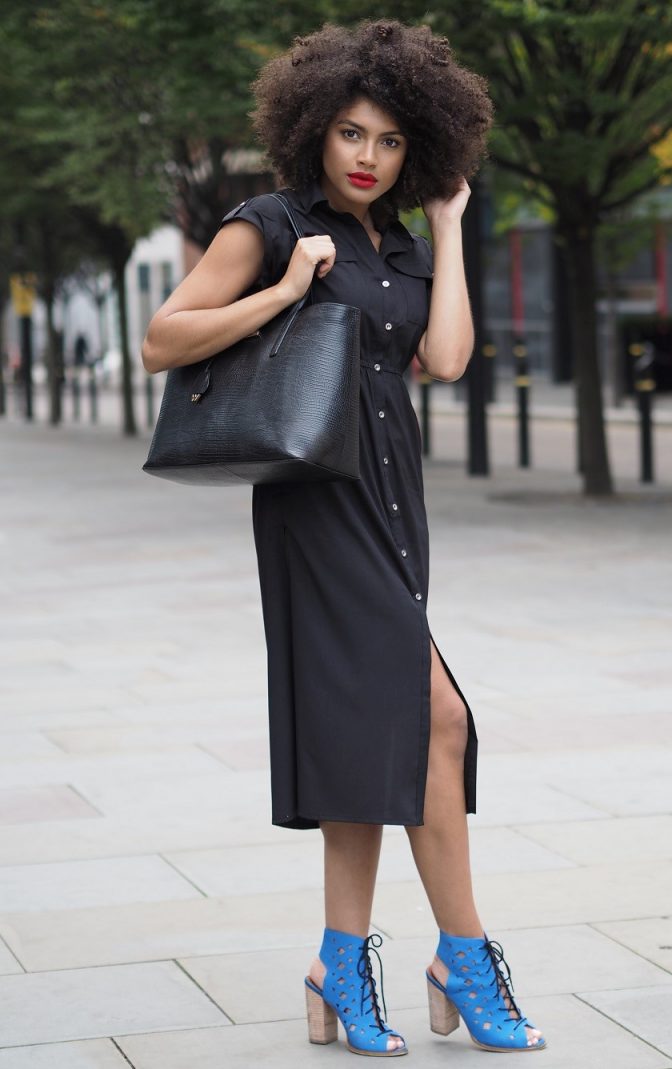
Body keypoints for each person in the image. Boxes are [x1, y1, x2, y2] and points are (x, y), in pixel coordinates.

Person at [142, 18, 546, 1057]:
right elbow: (163, 337)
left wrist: (451, 229)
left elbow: (446, 359)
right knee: (436, 719)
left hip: (393, 503)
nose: (367, 158)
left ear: (419, 151)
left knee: (376, 732)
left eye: (391, 142)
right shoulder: (269, 223)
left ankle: (341, 960)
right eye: (351, 135)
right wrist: (281, 289)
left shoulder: (403, 246)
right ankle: (461, 954)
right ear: (316, 129)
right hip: (312, 506)